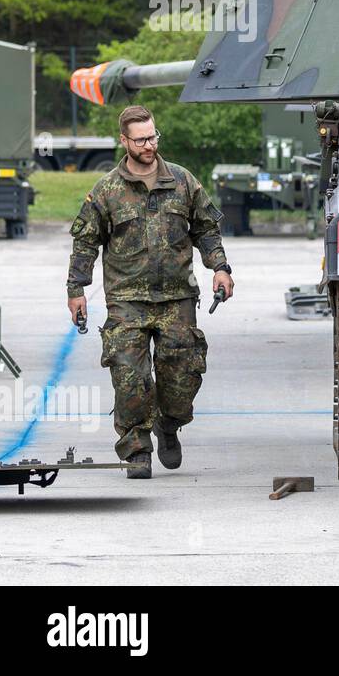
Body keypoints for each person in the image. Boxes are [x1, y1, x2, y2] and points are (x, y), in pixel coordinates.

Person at [66, 105, 233, 479]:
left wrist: (220, 268)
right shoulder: (107, 190)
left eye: (153, 137)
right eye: (140, 139)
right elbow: (86, 243)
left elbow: (206, 229)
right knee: (130, 378)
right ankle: (136, 448)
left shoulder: (183, 181)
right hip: (127, 299)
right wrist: (76, 288)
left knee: (181, 379)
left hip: (177, 299)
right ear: (124, 141)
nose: (149, 145)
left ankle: (168, 424)